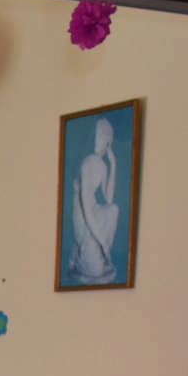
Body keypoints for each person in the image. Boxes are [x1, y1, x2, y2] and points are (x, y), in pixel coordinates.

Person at [67, 118, 121, 285]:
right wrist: (102, 241)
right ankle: (79, 253)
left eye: (105, 136)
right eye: (100, 135)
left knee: (113, 209)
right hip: (83, 214)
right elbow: (86, 208)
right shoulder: (88, 163)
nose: (101, 140)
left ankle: (94, 251)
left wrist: (113, 165)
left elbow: (109, 198)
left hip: (93, 210)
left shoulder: (102, 166)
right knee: (95, 270)